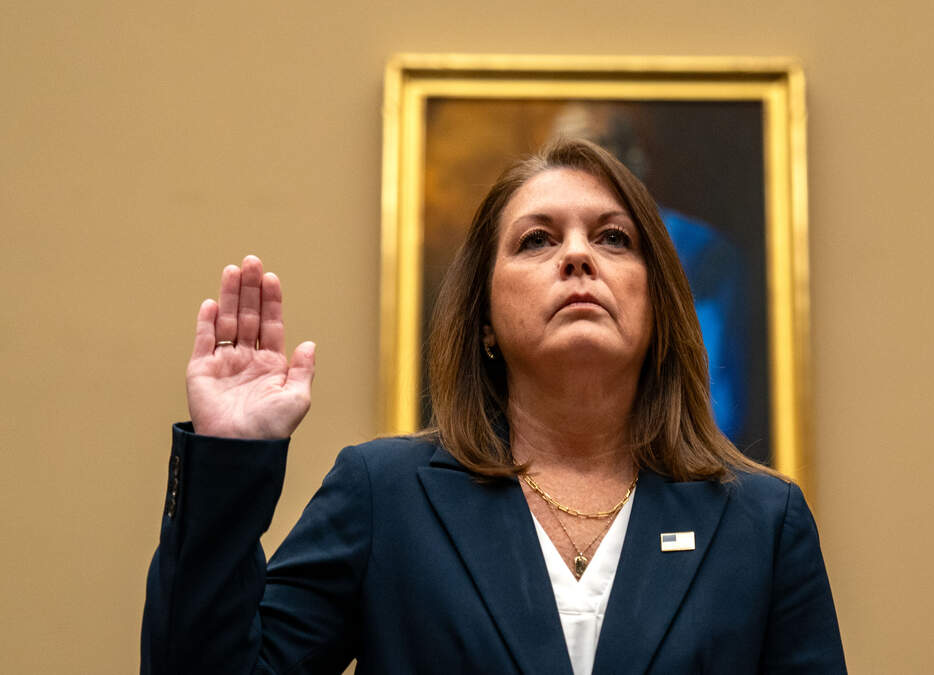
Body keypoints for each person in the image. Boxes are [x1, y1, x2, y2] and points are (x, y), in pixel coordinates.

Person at [141, 138, 846, 674]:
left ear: (658, 304)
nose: (578, 257)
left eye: (613, 238)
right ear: (483, 317)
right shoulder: (383, 494)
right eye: (537, 240)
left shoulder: (762, 523)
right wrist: (228, 458)